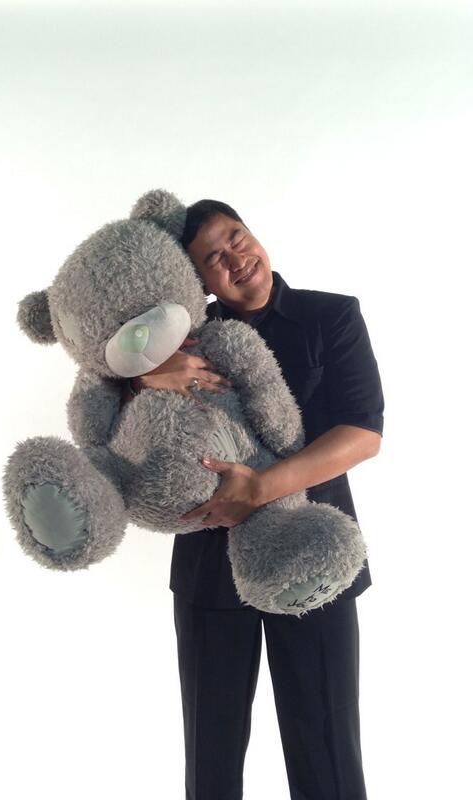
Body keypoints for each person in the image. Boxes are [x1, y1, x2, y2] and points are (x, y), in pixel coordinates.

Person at [122, 199, 384, 800]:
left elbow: (363, 433)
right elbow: (114, 406)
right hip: (208, 567)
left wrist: (260, 489)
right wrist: (144, 376)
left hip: (314, 552)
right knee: (211, 757)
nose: (235, 258)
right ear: (198, 281)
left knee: (326, 749)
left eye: (236, 238)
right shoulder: (182, 339)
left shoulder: (331, 316)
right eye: (213, 258)